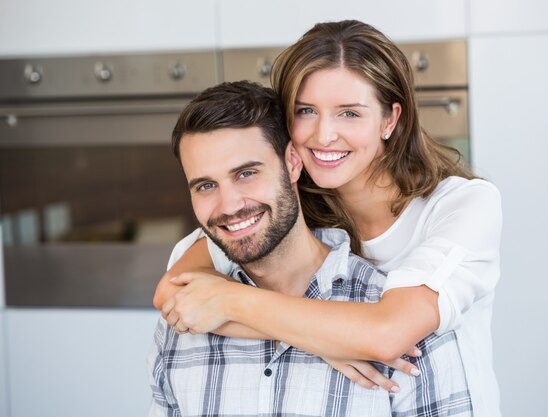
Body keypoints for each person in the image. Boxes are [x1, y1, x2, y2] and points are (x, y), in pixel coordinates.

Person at [155, 20, 502, 416]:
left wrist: (231, 301)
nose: (323, 135)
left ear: (390, 119)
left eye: (349, 114)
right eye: (306, 111)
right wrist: (322, 341)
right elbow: (175, 295)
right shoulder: (286, 200)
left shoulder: (460, 205)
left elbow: (386, 335)